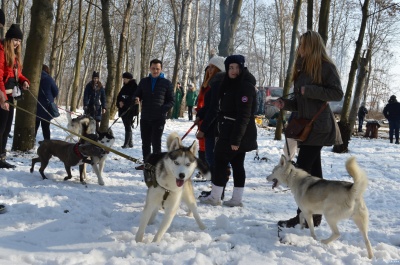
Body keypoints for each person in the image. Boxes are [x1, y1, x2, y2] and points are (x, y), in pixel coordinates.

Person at [272, 30, 343, 228]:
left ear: (311, 46)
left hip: (319, 126)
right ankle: (314, 214)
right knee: (313, 172)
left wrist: (310, 90)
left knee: (302, 172)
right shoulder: (302, 68)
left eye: (303, 44)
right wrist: (284, 103)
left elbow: (337, 93)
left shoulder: (325, 67)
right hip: (306, 126)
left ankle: (305, 216)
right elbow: (300, 102)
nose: (299, 48)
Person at [199, 55, 258, 207]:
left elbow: (244, 115)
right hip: (229, 129)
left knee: (220, 161)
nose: (234, 71)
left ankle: (216, 197)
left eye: (237, 67)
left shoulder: (245, 86)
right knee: (237, 164)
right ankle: (235, 199)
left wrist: (236, 139)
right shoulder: (229, 83)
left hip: (236, 132)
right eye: (230, 67)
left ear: (242, 68)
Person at [134, 59, 174, 170]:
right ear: (150, 68)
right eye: (153, 68)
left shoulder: (166, 83)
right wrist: (136, 98)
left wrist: (163, 109)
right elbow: (137, 94)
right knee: (145, 142)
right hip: (145, 117)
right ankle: (147, 163)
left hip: (159, 118)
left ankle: (157, 165)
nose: (155, 70)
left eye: (157, 68)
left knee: (156, 142)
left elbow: (172, 101)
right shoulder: (144, 81)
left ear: (161, 69)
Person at [0, 24, 30, 169]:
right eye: (15, 39)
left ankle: (1, 156)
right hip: (2, 96)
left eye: (19, 40)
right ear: (8, 39)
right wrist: (2, 97)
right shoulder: (2, 51)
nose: (17, 43)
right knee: (1, 128)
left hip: (11, 96)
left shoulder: (16, 56)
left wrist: (24, 81)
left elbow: (17, 74)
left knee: (6, 129)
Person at [35, 65, 59, 140]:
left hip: (36, 104)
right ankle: (47, 142)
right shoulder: (49, 79)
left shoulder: (35, 77)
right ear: (47, 70)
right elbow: (56, 91)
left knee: (35, 126)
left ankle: (31, 140)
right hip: (46, 106)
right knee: (46, 127)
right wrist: (50, 97)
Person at [116, 72, 138, 148]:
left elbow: (132, 99)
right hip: (123, 110)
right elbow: (119, 96)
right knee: (127, 125)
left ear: (129, 79)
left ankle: (126, 143)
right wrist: (119, 102)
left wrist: (124, 103)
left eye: (125, 79)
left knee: (127, 125)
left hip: (130, 110)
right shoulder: (124, 87)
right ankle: (130, 142)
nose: (124, 80)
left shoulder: (134, 87)